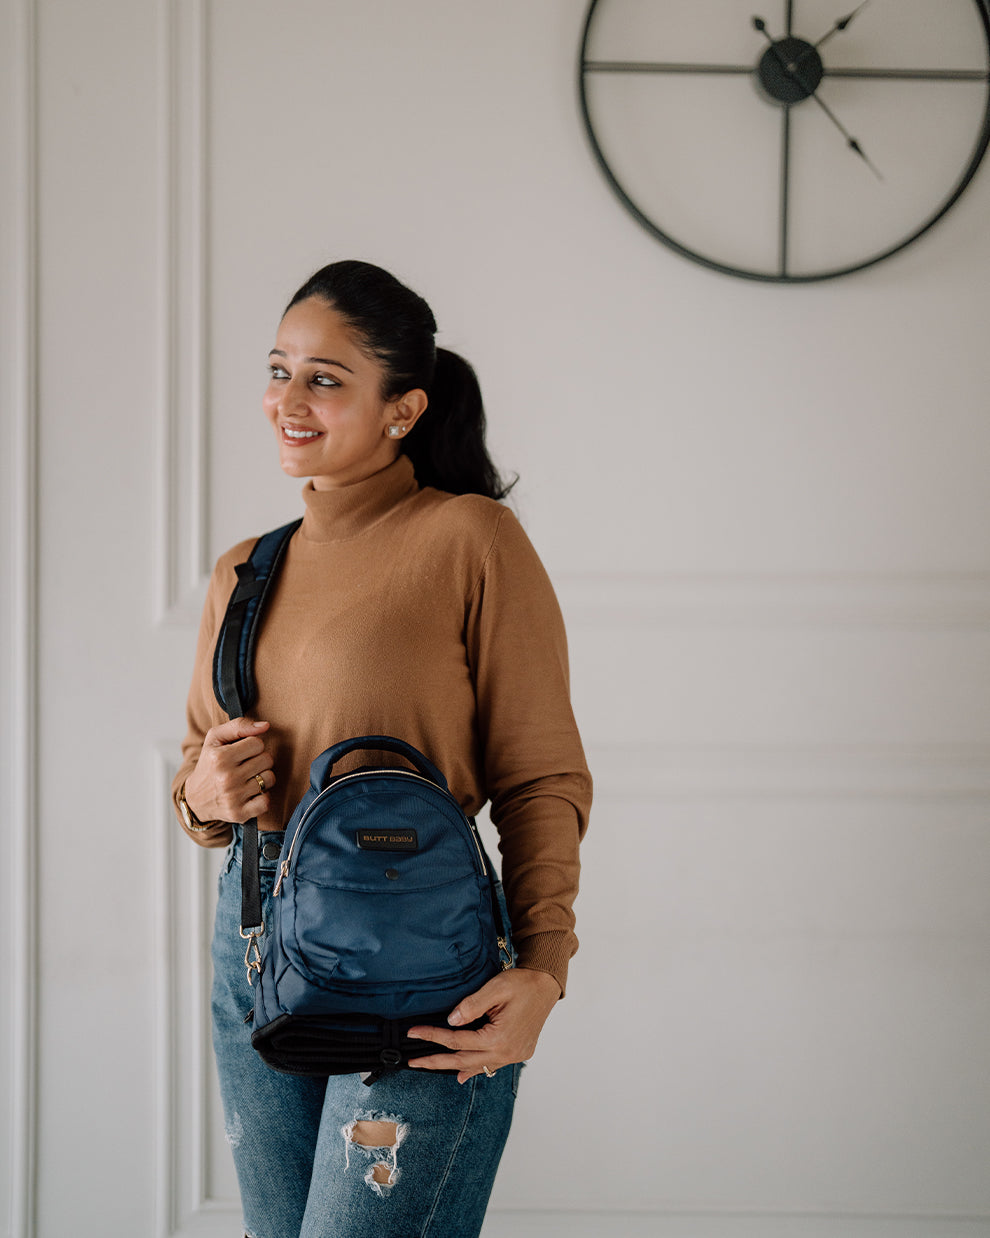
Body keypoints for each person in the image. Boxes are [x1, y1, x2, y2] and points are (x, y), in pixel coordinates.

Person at [172, 259, 592, 1238]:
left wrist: (545, 965)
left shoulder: (469, 538)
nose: (287, 399)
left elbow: (541, 774)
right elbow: (196, 781)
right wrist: (203, 791)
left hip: (421, 953)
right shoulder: (247, 567)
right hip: (253, 946)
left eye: (325, 377)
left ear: (403, 408)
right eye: (279, 369)